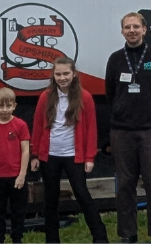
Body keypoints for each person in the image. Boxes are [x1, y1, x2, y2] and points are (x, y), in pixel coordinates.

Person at [105, 12, 151, 244]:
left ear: (145, 29)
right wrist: (121, 113)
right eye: (127, 27)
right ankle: (128, 234)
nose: (132, 31)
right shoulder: (115, 59)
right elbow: (110, 94)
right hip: (122, 131)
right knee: (125, 185)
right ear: (122, 31)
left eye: (136, 26)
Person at [30, 56, 108, 244]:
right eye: (58, 74)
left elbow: (91, 129)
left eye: (66, 73)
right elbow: (38, 126)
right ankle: (52, 240)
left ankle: (100, 238)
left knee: (82, 194)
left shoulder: (85, 97)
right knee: (50, 199)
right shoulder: (45, 96)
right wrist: (35, 154)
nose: (62, 77)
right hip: (50, 156)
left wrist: (90, 157)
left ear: (74, 74)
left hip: (74, 155)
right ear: (53, 75)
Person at [0, 87, 30, 244]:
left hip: (16, 177)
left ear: (14, 106)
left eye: (8, 106)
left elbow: (25, 151)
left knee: (18, 212)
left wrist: (22, 174)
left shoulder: (20, 125)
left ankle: (17, 239)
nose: (5, 110)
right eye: (1, 106)